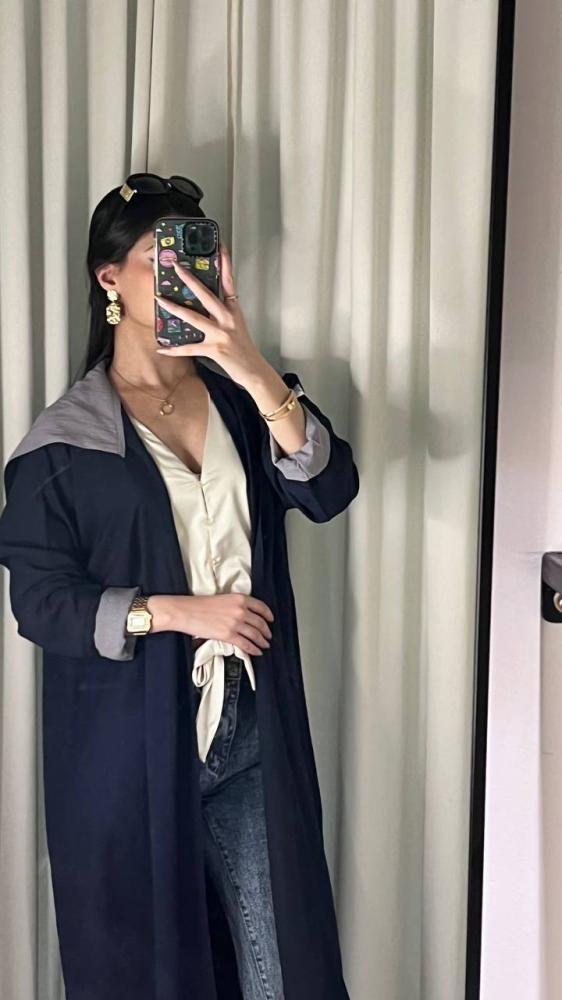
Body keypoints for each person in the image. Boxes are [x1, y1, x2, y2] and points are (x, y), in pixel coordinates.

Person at [0, 173, 360, 999]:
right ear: (110, 278)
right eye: (163, 260)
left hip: (251, 728)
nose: (187, 279)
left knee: (282, 969)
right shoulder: (65, 443)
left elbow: (328, 489)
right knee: (151, 971)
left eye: (199, 259)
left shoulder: (239, 402)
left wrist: (252, 365)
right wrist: (175, 613)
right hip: (130, 747)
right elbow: (40, 602)